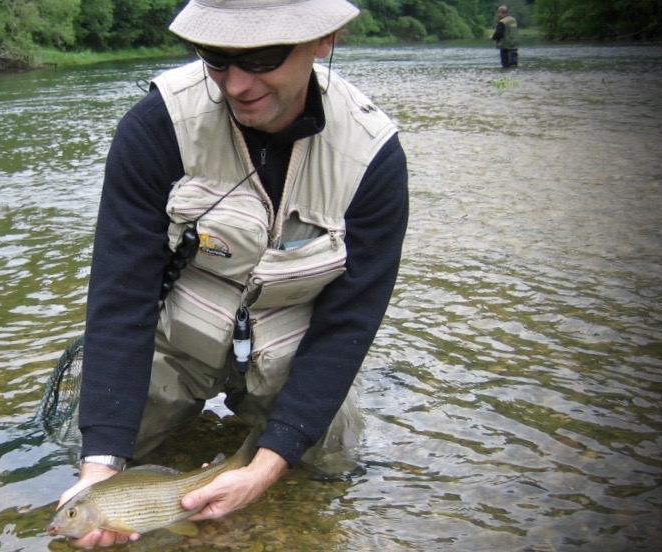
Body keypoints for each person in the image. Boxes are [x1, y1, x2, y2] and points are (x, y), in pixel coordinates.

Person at [56, 0, 408, 547]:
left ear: (326, 39)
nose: (236, 85)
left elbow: (347, 325)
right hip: (175, 342)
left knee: (332, 459)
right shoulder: (156, 128)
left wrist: (269, 465)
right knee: (87, 444)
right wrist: (100, 467)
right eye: (216, 60)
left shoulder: (372, 158)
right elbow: (120, 298)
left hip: (289, 349)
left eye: (261, 59)